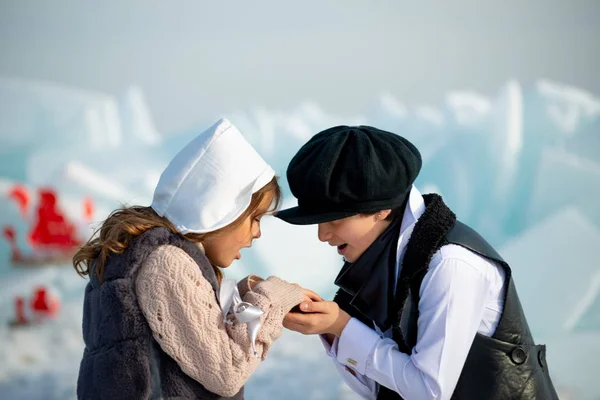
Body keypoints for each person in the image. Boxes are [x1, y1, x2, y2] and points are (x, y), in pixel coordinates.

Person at [278, 125, 558, 400]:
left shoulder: (450, 265)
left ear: (380, 210)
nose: (322, 235)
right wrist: (331, 329)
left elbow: (428, 391)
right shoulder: (382, 259)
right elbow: (377, 388)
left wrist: (343, 326)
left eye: (334, 219)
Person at [73, 118, 306, 400]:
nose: (257, 233)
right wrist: (270, 299)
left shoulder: (151, 255)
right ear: (220, 208)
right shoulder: (167, 264)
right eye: (254, 218)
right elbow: (227, 371)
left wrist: (246, 294)